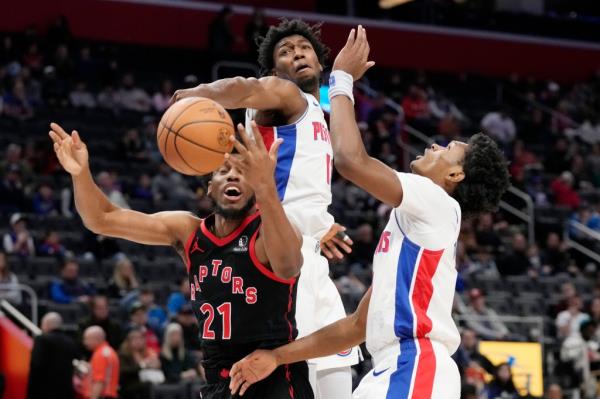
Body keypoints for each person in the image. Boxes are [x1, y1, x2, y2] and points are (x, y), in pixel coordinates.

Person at [229, 26, 510, 399]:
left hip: (415, 366)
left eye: (446, 150)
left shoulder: (437, 201)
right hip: (392, 369)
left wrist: (342, 79)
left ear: (455, 175)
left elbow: (350, 160)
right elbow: (358, 325)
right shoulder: (418, 227)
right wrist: (276, 357)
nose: (435, 146)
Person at [48, 120, 312, 398]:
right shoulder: (188, 232)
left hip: (273, 379)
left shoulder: (268, 232)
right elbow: (102, 219)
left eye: (244, 173)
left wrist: (267, 188)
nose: (233, 176)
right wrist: (80, 174)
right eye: (224, 171)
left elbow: (288, 266)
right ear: (210, 187)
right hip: (218, 381)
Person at [172, 18, 359, 398]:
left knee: (338, 365)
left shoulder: (310, 109)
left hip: (308, 251)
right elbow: (244, 87)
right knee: (296, 369)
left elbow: (302, 181)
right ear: (276, 71)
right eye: (286, 52)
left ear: (319, 62)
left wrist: (319, 223)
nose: (297, 54)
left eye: (303, 49)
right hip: (278, 255)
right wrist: (200, 93)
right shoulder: (285, 95)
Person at [27, 312, 78, 399]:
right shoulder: (70, 342)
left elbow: (36, 366)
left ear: (47, 324)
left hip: (44, 392)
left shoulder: (41, 340)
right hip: (65, 392)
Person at [119, 327, 161, 399]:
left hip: (147, 382)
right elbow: (124, 371)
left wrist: (155, 365)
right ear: (129, 342)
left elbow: (157, 364)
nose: (138, 341)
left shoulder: (148, 352)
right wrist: (142, 365)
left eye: (140, 339)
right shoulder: (123, 355)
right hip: (129, 385)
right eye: (135, 339)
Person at [82, 326, 120, 399]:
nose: (85, 343)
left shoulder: (100, 355)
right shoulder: (108, 351)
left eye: (87, 339)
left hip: (102, 396)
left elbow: (99, 381)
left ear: (97, 339)